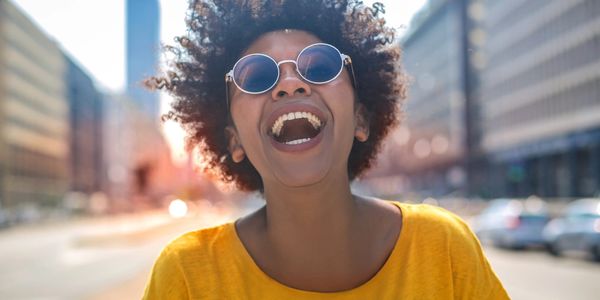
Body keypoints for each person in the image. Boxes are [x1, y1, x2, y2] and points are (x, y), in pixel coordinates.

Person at [143, 0, 509, 298]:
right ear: (235, 140)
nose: (289, 84)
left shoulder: (444, 248)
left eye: (319, 66)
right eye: (255, 76)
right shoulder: (188, 275)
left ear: (361, 119)